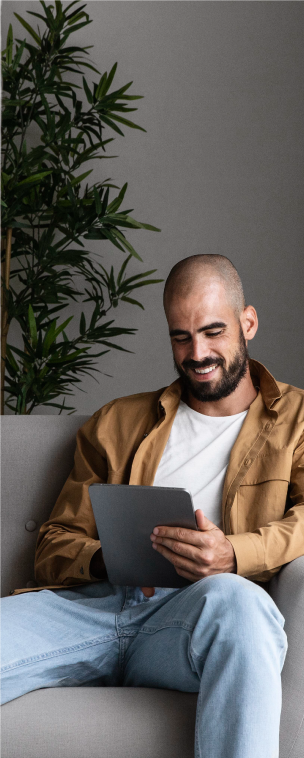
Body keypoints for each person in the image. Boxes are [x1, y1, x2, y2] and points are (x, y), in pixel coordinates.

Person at [2, 253, 304, 758]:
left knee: (241, 603)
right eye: (181, 337)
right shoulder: (116, 422)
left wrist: (232, 554)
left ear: (247, 322)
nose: (197, 352)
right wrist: (109, 558)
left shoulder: (296, 420)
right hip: (91, 608)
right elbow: (53, 544)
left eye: (213, 332)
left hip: (194, 620)